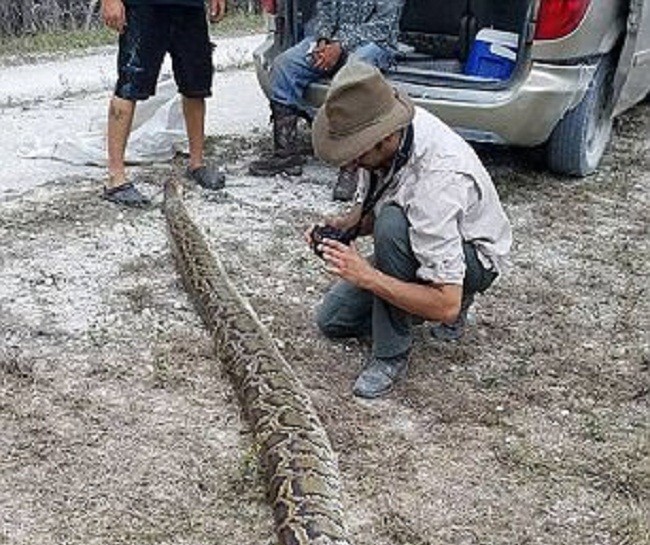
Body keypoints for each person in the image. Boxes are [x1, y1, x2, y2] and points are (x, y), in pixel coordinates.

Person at [309, 60, 513, 398]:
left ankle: (391, 354)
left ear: (385, 137)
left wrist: (369, 277)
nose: (349, 163)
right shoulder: (385, 135)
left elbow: (444, 303)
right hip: (423, 239)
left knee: (391, 225)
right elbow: (384, 191)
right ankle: (418, 294)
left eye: (355, 154)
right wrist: (347, 227)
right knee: (333, 321)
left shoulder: (436, 181)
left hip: (472, 257)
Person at [249, 0, 404, 200]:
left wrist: (340, 45)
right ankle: (285, 155)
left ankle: (352, 166)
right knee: (284, 65)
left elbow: (384, 26)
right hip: (332, 43)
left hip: (373, 43)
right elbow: (324, 11)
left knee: (353, 71)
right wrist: (322, 40)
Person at [100, 0, 227, 207]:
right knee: (129, 84)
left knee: (196, 85)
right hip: (143, 7)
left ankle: (197, 164)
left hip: (190, 7)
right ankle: (116, 178)